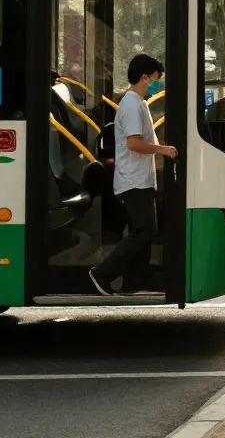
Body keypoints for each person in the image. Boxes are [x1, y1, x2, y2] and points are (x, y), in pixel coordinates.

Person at [89, 53, 178, 295]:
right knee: (143, 231)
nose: (159, 83)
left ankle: (135, 282)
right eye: (157, 78)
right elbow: (134, 143)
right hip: (132, 181)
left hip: (140, 179)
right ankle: (102, 273)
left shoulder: (138, 103)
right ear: (145, 77)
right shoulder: (131, 104)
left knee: (144, 232)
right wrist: (163, 150)